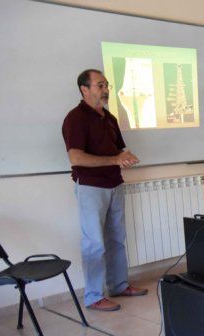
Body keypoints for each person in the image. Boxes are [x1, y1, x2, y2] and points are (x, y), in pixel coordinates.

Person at [62, 69, 147, 311]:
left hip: (114, 184)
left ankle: (119, 285)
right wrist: (114, 160)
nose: (106, 89)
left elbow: (118, 151)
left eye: (106, 85)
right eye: (100, 85)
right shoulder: (75, 118)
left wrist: (125, 157)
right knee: (94, 244)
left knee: (117, 239)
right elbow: (76, 157)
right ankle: (93, 296)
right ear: (84, 89)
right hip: (90, 187)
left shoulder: (109, 118)